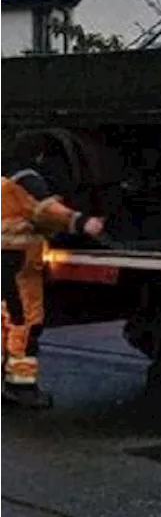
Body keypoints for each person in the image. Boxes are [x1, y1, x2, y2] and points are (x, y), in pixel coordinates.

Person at [0, 169, 105, 408]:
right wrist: (83, 222)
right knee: (25, 324)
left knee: (4, 323)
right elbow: (46, 211)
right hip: (18, 268)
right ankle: (21, 387)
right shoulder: (19, 188)